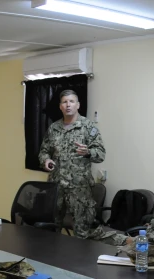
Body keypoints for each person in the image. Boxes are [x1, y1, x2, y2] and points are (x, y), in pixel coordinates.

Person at [38, 89, 105, 239]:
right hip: (56, 187)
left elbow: (101, 154)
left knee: (82, 233)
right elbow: (44, 151)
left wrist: (88, 152)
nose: (68, 105)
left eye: (71, 101)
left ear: (78, 105)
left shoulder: (88, 127)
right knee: (51, 228)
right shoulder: (54, 128)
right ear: (60, 106)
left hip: (79, 189)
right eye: (64, 102)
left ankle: (80, 262)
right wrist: (46, 160)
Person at [88, 159, 154, 247]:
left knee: (102, 238)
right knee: (99, 235)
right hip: (146, 237)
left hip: (151, 247)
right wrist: (149, 226)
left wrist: (139, 238)